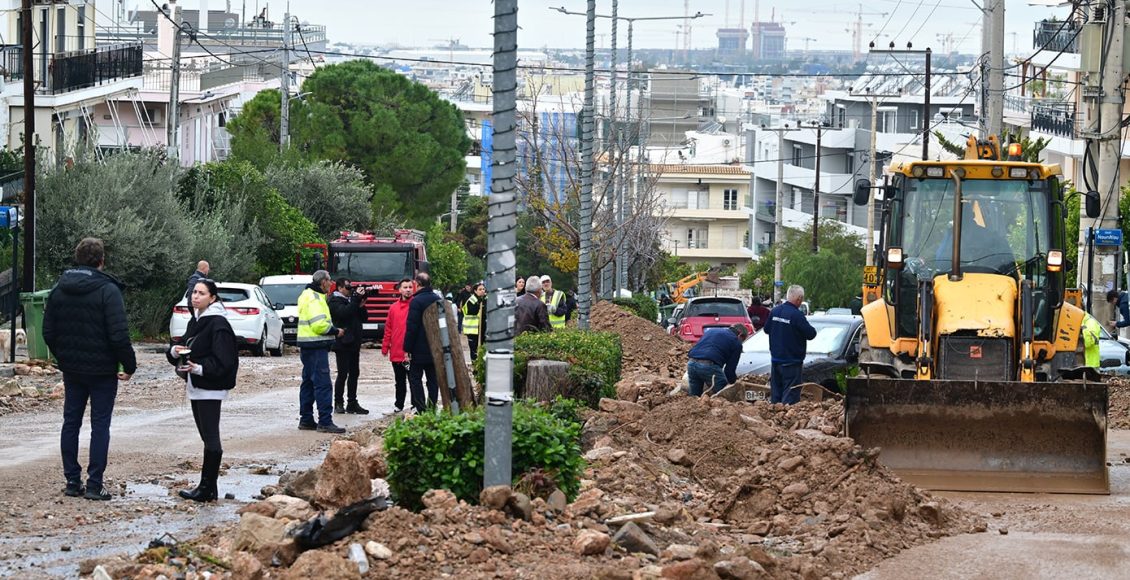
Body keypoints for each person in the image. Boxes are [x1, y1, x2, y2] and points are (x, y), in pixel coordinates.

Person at [43, 238, 136, 501]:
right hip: (103, 370)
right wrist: (129, 365)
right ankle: (95, 484)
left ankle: (72, 480)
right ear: (101, 260)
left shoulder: (59, 290)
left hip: (72, 369)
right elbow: (119, 335)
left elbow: (48, 331)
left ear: (78, 258)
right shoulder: (108, 290)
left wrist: (63, 356)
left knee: (70, 422)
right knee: (100, 425)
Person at [167, 279, 238, 502]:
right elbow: (185, 346)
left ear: (212, 298)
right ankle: (209, 487)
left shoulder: (218, 323)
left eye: (201, 293)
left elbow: (226, 361)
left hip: (210, 387)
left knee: (211, 438)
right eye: (193, 293)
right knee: (206, 437)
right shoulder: (197, 320)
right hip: (197, 385)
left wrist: (198, 368)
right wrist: (174, 352)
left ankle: (207, 488)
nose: (195, 297)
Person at [296, 270, 346, 433]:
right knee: (323, 384)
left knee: (308, 383)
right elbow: (319, 325)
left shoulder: (307, 295)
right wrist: (335, 330)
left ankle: (306, 419)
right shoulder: (315, 298)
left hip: (307, 346)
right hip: (316, 345)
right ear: (323, 281)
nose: (331, 284)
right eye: (329, 281)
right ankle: (325, 421)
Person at [764, 285, 818, 405]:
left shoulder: (775, 311)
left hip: (776, 360)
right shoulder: (797, 315)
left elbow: (767, 329)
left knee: (776, 394)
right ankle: (785, 420)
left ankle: (774, 418)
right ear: (799, 299)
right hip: (791, 362)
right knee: (790, 396)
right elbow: (811, 334)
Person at [329, 278, 368, 415]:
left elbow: (364, 318)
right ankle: (338, 403)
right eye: (347, 287)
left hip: (354, 342)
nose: (350, 290)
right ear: (339, 288)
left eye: (351, 287)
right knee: (342, 373)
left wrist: (361, 305)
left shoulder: (352, 301)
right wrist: (355, 300)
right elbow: (343, 313)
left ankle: (352, 402)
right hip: (342, 343)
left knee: (354, 373)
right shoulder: (334, 300)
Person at [403, 272, 442, 413]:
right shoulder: (437, 299)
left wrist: (406, 348)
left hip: (418, 349)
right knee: (433, 379)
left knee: (415, 379)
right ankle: (432, 407)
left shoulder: (416, 301)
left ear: (417, 284)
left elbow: (411, 326)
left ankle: (420, 408)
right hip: (434, 347)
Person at [686, 323, 749, 396]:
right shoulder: (736, 343)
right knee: (724, 395)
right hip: (708, 366)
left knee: (694, 396)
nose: (741, 342)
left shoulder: (711, 331)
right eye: (743, 340)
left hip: (691, 363)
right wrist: (733, 384)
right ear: (740, 335)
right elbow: (729, 370)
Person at [382, 278, 414, 413]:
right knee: (399, 381)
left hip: (411, 351)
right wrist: (385, 346)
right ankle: (399, 404)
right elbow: (388, 328)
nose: (408, 290)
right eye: (405, 287)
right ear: (399, 289)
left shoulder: (415, 306)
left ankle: (416, 404)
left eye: (410, 287)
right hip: (396, 351)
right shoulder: (393, 308)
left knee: (414, 380)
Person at [461, 282, 486, 361]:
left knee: (482, 348)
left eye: (483, 289)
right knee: (474, 349)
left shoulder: (484, 299)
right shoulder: (472, 300)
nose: (482, 291)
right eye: (480, 289)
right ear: (475, 291)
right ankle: (475, 367)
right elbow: (472, 311)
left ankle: (480, 365)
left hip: (481, 328)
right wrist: (479, 305)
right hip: (472, 330)